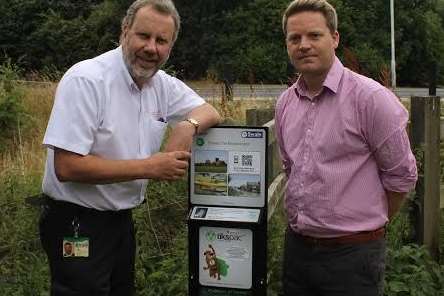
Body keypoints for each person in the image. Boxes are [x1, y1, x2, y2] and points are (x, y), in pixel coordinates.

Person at [39, 0, 221, 295]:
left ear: (170, 46)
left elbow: (209, 111)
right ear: (124, 32)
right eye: (143, 36)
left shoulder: (161, 84)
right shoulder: (87, 80)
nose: (152, 48)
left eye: (162, 40)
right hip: (76, 222)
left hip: (120, 222)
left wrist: (186, 125)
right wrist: (151, 166)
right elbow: (67, 166)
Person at [275, 1, 418, 295]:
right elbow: (291, 168)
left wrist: (365, 227)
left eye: (314, 35)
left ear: (335, 38)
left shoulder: (371, 100)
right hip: (298, 251)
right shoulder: (285, 104)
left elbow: (401, 176)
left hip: (353, 257)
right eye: (294, 38)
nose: (304, 45)